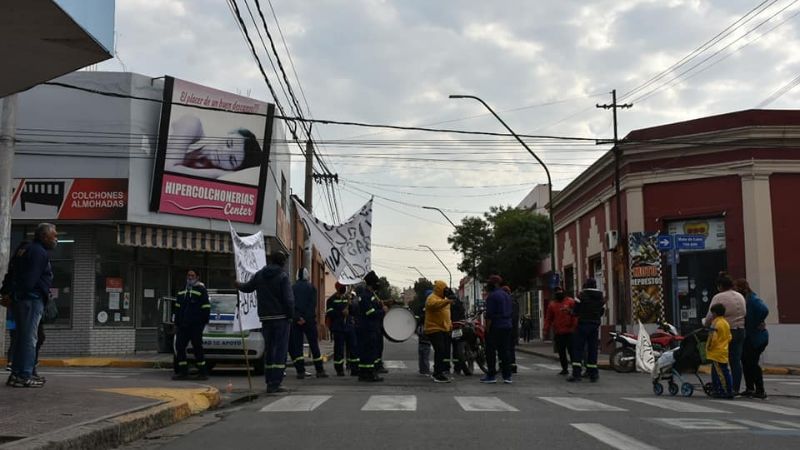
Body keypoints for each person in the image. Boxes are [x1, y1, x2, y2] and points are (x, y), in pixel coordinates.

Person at [235, 251, 294, 394]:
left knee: (269, 350)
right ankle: (276, 383)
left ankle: (269, 382)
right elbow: (289, 299)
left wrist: (238, 284)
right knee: (280, 351)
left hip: (266, 318)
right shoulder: (283, 276)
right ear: (283, 262)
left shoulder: (260, 275)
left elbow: (247, 287)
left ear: (270, 260)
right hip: (281, 318)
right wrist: (290, 316)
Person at [6, 223, 56, 388]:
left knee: (22, 337)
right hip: (31, 300)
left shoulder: (25, 249)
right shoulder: (39, 252)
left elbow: (12, 272)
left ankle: (17, 374)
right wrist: (28, 293)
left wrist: (8, 293)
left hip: (21, 299)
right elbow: (30, 279)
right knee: (29, 338)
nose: (55, 239)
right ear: (44, 236)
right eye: (53, 236)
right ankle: (25, 375)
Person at [166, 115, 264, 179]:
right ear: (228, 133)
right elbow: (167, 169)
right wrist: (216, 173)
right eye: (228, 143)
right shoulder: (192, 124)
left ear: (232, 170)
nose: (224, 152)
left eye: (231, 160)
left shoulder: (205, 177)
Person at [704, 272, 746, 394]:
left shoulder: (719, 297)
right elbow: (744, 312)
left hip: (724, 332)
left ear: (720, 286)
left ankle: (718, 387)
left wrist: (705, 324)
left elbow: (710, 316)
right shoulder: (740, 296)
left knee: (717, 360)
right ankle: (735, 388)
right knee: (735, 361)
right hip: (740, 330)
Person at [172, 269, 211, 381]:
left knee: (197, 347)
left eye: (192, 275)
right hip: (183, 326)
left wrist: (202, 323)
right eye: (188, 275)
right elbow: (177, 308)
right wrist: (176, 323)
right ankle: (183, 372)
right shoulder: (181, 291)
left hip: (196, 326)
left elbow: (206, 307)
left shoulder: (201, 290)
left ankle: (202, 372)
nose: (190, 277)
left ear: (197, 277)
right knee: (179, 347)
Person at [289, 268, 328, 379]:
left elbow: (291, 304)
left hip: (296, 322)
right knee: (314, 345)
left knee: (297, 347)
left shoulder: (292, 288)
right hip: (309, 321)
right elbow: (312, 305)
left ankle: (300, 371)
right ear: (307, 276)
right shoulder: (312, 288)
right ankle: (319, 370)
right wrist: (305, 318)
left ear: (297, 276)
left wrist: (298, 317)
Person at [735, 278, 769, 399]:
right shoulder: (745, 299)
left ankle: (760, 390)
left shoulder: (753, 299)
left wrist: (757, 322)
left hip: (756, 337)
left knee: (752, 363)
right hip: (749, 337)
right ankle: (750, 388)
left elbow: (764, 310)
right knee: (745, 361)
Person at [568, 278, 605, 383]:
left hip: (583, 324)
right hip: (594, 325)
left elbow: (576, 311)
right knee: (593, 349)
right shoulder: (600, 297)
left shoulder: (581, 296)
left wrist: (571, 312)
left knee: (578, 349)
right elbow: (602, 311)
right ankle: (593, 373)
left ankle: (576, 374)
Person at [481, 275, 513, 384]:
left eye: (489, 283)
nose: (487, 285)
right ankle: (507, 376)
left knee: (490, 351)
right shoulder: (507, 295)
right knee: (505, 351)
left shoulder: (492, 296)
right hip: (507, 326)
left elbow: (489, 315)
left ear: (495, 284)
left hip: (496, 326)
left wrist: (487, 329)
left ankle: (491, 376)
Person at [355, 271, 385, 382]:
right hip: (368, 328)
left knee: (366, 351)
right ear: (372, 284)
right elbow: (370, 313)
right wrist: (383, 311)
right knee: (369, 352)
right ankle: (369, 374)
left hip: (369, 328)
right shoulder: (366, 296)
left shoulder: (371, 295)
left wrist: (380, 305)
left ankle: (364, 373)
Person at [543, 287, 578, 375]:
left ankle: (575, 369)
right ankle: (564, 369)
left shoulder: (570, 301)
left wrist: (575, 326)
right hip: (559, 332)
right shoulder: (552, 305)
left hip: (570, 331)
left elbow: (576, 315)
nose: (559, 293)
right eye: (557, 292)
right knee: (561, 352)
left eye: (560, 292)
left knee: (572, 352)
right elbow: (548, 318)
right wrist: (545, 330)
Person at [326, 282, 358, 377]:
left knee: (353, 348)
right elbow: (330, 313)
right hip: (338, 328)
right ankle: (339, 369)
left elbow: (354, 311)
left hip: (349, 327)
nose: (343, 289)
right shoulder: (331, 300)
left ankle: (354, 368)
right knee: (339, 349)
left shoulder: (348, 298)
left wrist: (351, 306)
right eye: (342, 287)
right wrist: (341, 312)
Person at [425, 281, 454, 383]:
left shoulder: (444, 299)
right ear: (440, 289)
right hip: (434, 328)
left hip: (444, 329)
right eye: (445, 289)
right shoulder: (432, 298)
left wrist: (450, 325)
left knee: (443, 351)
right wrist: (447, 301)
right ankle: (438, 374)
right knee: (440, 350)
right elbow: (433, 305)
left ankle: (439, 371)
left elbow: (447, 314)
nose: (446, 291)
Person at [707, 303, 734, 399]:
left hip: (716, 352)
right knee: (724, 371)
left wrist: (709, 347)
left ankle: (724, 391)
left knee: (720, 373)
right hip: (724, 350)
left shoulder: (715, 323)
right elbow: (730, 337)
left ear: (715, 313)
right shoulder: (726, 323)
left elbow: (713, 338)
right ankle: (722, 390)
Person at [446, 287, 471, 376]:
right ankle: (458, 368)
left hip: (449, 327)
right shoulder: (459, 303)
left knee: (447, 349)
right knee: (457, 348)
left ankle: (447, 368)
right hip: (458, 327)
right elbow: (463, 314)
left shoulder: (446, 302)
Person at [412, 289, 432, 376]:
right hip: (426, 329)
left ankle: (422, 369)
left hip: (421, 329)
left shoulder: (421, 306)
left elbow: (417, 317)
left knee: (421, 351)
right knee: (426, 351)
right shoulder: (430, 306)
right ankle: (426, 370)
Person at [505, 285, 519, 374]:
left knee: (507, 348)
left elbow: (511, 317)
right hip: (513, 328)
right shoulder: (514, 302)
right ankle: (512, 366)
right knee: (511, 348)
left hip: (508, 328)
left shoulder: (508, 302)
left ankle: (508, 366)